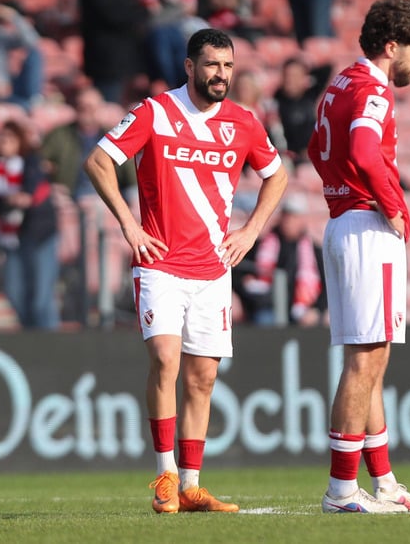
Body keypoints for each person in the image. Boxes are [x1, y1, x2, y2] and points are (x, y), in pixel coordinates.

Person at [83, 28, 288, 513]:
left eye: (228, 66)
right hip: (160, 264)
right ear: (190, 67)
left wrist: (251, 230)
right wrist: (129, 223)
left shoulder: (243, 121)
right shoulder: (155, 112)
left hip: (213, 268)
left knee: (202, 379)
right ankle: (166, 476)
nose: (221, 74)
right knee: (166, 360)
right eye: (213, 65)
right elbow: (99, 161)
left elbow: (277, 175)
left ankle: (192, 485)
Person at [307, 0, 410, 513]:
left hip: (346, 222)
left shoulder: (341, 82)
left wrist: (341, 193)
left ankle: (383, 482)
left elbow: (317, 148)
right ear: (392, 46)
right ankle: (342, 490)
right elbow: (365, 151)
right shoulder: (373, 89)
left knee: (372, 360)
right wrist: (394, 206)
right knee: (365, 363)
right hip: (366, 226)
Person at [0, 119, 61, 331]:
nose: (4, 142)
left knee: (42, 296)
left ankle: (50, 338)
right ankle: (30, 333)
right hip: (11, 237)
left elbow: (30, 194)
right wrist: (8, 201)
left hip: (39, 234)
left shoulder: (31, 162)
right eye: (2, 138)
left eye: (9, 138)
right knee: (14, 291)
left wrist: (16, 199)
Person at [233, 193, 325, 326]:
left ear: (303, 220)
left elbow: (325, 284)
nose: (289, 221)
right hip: (266, 306)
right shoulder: (262, 244)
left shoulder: (313, 250)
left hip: (303, 310)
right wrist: (245, 283)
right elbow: (240, 270)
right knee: (265, 318)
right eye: (287, 215)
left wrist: (317, 309)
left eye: (295, 216)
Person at [77, 0, 148, 105]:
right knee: (109, 105)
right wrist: (140, 14)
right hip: (104, 57)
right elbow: (112, 15)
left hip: (124, 56)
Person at [40, 86, 136, 204]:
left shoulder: (113, 136)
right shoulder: (59, 135)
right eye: (81, 106)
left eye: (90, 107)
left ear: (100, 109)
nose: (85, 111)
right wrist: (50, 184)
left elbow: (130, 172)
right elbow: (40, 163)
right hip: (70, 195)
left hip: (106, 197)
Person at [274, 56, 331, 166]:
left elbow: (327, 69)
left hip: (312, 156)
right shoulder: (276, 99)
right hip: (287, 157)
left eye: (295, 76)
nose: (290, 80)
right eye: (287, 75)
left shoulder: (311, 95)